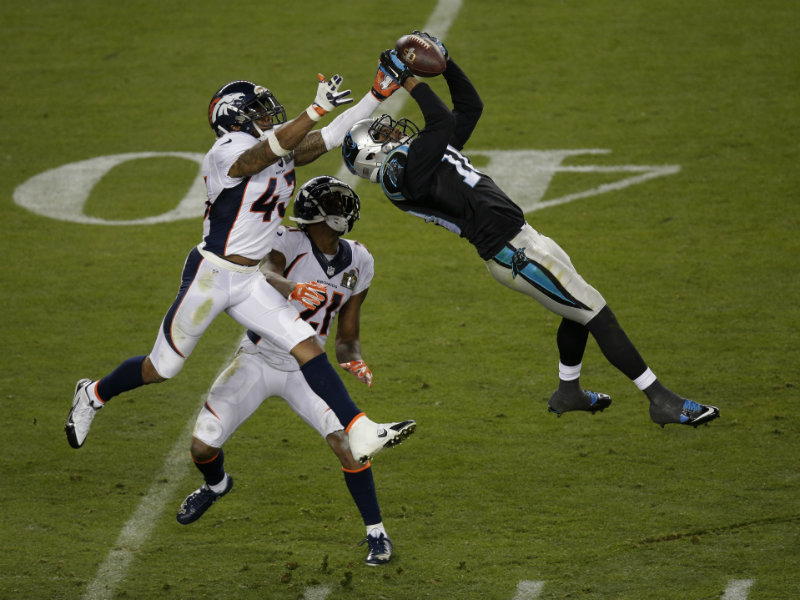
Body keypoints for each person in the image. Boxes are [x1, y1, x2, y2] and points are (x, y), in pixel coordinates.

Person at [342, 32, 719, 428]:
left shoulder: (418, 155)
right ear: (370, 154)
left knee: (577, 311)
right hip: (512, 253)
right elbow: (437, 122)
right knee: (597, 313)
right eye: (382, 134)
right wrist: (408, 78)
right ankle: (660, 400)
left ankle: (568, 392)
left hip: (523, 238)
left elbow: (469, 108)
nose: (394, 131)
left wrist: (447, 65)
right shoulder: (399, 176)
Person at [65, 64, 416, 462]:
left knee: (306, 345)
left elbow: (332, 137)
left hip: (250, 279)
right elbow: (256, 159)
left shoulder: (275, 143)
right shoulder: (226, 151)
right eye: (257, 108)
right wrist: (312, 112)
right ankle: (93, 394)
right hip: (212, 275)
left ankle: (361, 428)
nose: (267, 115)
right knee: (161, 369)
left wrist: (377, 94)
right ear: (234, 114)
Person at [177, 176, 397, 565]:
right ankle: (217, 485)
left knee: (350, 445)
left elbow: (347, 335)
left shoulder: (360, 260)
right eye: (333, 202)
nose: (344, 208)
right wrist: (291, 288)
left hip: (308, 370)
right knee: (201, 447)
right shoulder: (287, 240)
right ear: (317, 214)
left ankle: (376, 533)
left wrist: (353, 358)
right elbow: (265, 270)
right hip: (258, 358)